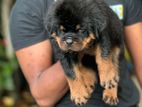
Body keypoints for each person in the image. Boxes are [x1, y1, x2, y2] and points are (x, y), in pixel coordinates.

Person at [9, 0, 142, 107]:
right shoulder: (29, 8)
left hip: (124, 101)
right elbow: (44, 97)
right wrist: (75, 47)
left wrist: (98, 39)